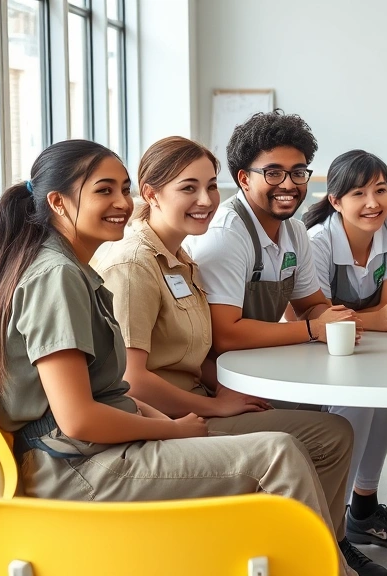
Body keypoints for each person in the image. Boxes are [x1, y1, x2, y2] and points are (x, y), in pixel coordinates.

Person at [0, 140, 355, 576]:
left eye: (122, 189)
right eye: (103, 190)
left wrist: (167, 424)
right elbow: (79, 418)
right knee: (278, 454)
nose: (120, 203)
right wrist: (170, 427)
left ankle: (304, 560)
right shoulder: (61, 276)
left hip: (96, 447)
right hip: (78, 466)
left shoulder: (74, 267)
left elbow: (111, 388)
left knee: (313, 439)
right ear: (57, 202)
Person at [95, 136, 357, 553]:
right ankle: (309, 556)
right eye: (188, 188)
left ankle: (315, 549)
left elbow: (186, 349)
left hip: (195, 396)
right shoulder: (133, 264)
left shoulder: (181, 257)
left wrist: (223, 387)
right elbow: (133, 379)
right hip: (165, 418)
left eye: (211, 186)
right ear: (150, 194)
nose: (206, 199)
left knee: (334, 432)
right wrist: (217, 405)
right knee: (314, 439)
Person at [183, 111, 387, 576]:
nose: (289, 184)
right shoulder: (226, 235)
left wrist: (330, 316)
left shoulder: (293, 230)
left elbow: (311, 301)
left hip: (253, 365)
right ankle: (313, 543)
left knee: (343, 413)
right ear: (243, 177)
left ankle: (325, 537)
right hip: (217, 379)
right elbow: (226, 332)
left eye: (298, 172)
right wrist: (313, 329)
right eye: (273, 172)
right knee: (329, 423)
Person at [303, 149, 387, 551]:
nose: (373, 203)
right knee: (356, 403)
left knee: (385, 396)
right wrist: (371, 318)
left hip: (370, 343)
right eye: (358, 193)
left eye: (380, 190)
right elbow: (321, 316)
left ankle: (364, 507)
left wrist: (366, 318)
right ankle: (334, 527)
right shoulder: (318, 240)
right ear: (335, 200)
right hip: (314, 347)